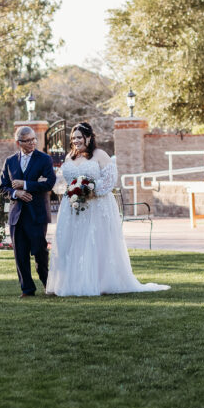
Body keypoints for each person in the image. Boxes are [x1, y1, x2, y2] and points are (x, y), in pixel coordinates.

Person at [46, 122, 169, 296]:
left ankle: (100, 281)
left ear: (88, 137)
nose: (75, 141)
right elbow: (62, 182)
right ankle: (73, 282)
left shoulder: (99, 155)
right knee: (74, 243)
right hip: (73, 207)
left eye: (79, 137)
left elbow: (110, 178)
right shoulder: (69, 157)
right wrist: (70, 190)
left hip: (96, 205)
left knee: (95, 241)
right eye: (73, 138)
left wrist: (90, 190)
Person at [0, 126, 56, 297]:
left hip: (37, 214)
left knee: (40, 252)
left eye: (34, 139)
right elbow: (3, 187)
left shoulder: (44, 159)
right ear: (18, 143)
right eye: (28, 140)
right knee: (20, 254)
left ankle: (48, 285)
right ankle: (27, 289)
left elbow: (49, 183)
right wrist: (16, 193)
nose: (33, 143)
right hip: (17, 216)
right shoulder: (10, 161)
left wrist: (25, 185)